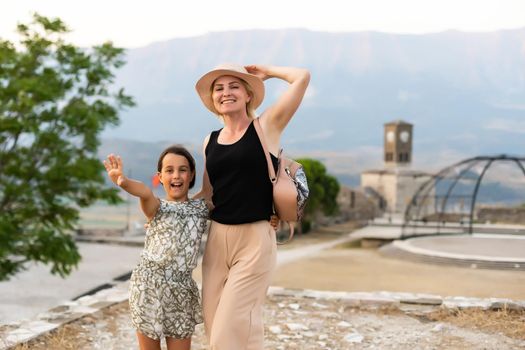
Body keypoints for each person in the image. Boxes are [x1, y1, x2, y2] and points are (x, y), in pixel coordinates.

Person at [194, 63, 310, 350]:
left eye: (234, 86)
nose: (226, 93)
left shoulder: (266, 127)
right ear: (212, 99)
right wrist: (161, 211)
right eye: (219, 88)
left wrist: (267, 72)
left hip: (255, 239)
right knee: (218, 326)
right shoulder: (209, 140)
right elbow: (208, 195)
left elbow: (301, 78)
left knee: (229, 328)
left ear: (248, 95)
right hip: (217, 241)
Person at [103, 145, 208, 350]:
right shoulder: (157, 208)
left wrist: (271, 216)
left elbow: (235, 210)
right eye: (169, 170)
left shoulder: (201, 208)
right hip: (149, 286)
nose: (176, 175)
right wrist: (122, 181)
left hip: (182, 290)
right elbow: (144, 192)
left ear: (191, 174)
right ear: (160, 176)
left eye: (182, 169)